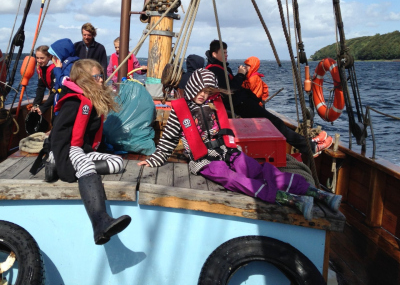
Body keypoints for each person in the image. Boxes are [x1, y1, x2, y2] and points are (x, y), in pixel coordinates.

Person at [138, 68, 341, 220]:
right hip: (204, 161)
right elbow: (168, 140)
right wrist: (154, 160)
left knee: (258, 170)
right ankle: (288, 199)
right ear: (192, 87)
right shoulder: (179, 111)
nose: (203, 95)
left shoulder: (214, 105)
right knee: (231, 178)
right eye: (200, 90)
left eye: (208, 91)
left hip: (228, 152)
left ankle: (313, 192)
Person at [48, 59, 131, 245]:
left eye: (101, 75)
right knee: (85, 165)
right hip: (68, 149)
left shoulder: (92, 101)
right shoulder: (73, 102)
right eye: (96, 77)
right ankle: (100, 222)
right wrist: (62, 161)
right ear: (84, 79)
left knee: (117, 163)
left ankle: (80, 169)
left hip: (83, 151)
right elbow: (58, 135)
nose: (101, 79)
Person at [205, 40, 333, 156]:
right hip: (240, 105)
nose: (226, 55)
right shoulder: (216, 70)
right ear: (215, 54)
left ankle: (309, 143)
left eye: (226, 52)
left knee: (276, 122)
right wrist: (240, 75)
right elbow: (228, 91)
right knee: (276, 123)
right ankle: (311, 147)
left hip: (243, 103)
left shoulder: (221, 68)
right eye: (223, 52)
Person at [31, 45, 56, 115]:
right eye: (37, 58)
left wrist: (43, 108)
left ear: (49, 57)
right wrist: (36, 104)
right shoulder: (41, 69)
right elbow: (41, 88)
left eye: (42, 58)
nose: (39, 61)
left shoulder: (55, 70)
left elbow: (55, 91)